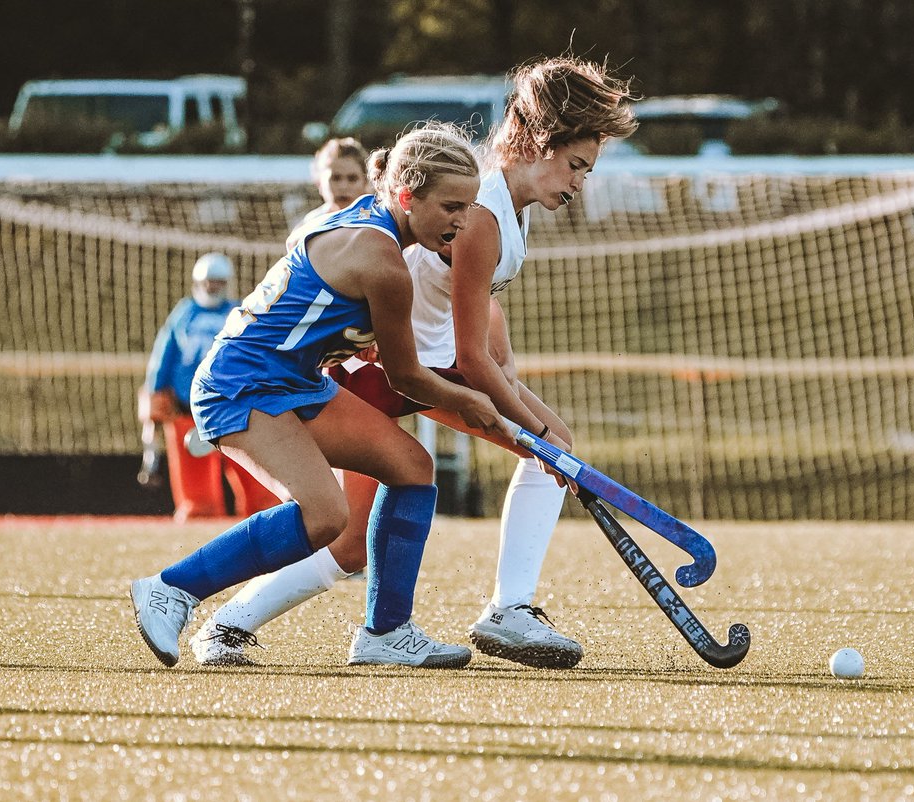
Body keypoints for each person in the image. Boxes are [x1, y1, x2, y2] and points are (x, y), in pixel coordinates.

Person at [189, 56, 638, 670]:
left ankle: (228, 623)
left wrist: (515, 387)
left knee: (349, 542)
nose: (580, 182)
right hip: (401, 370)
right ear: (539, 140)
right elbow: (471, 358)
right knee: (550, 451)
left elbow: (474, 316)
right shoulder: (483, 215)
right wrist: (535, 423)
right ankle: (509, 610)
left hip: (416, 365)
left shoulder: (506, 204)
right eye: (577, 164)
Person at [129, 122, 510, 669]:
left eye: (469, 207)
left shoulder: (366, 222)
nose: (462, 220)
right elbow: (406, 377)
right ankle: (172, 589)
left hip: (296, 380)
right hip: (242, 382)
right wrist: (473, 400)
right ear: (406, 196)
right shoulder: (384, 263)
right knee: (325, 515)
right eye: (451, 205)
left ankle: (386, 632)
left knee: (410, 464)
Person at [139, 252, 278, 522]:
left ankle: (265, 517)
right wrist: (155, 389)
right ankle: (199, 516)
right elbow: (163, 355)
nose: (213, 288)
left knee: (252, 470)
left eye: (217, 282)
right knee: (194, 478)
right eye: (209, 283)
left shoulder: (239, 311)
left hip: (235, 408)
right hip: (187, 411)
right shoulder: (184, 313)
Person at [287, 137, 373, 248]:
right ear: (319, 182)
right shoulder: (310, 223)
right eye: (336, 178)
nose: (343, 186)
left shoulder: (375, 222)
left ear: (365, 182)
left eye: (352, 179)